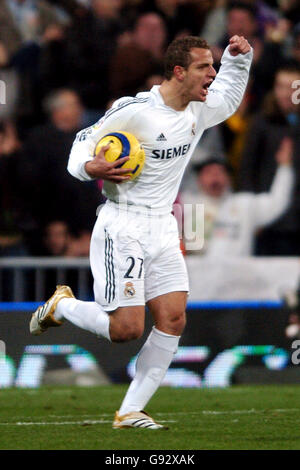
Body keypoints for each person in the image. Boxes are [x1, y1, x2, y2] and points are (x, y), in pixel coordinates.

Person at [30, 34, 252, 429]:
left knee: (173, 318)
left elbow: (230, 96)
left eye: (214, 66)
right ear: (179, 71)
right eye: (206, 67)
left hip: (164, 226)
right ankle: (62, 305)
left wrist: (240, 59)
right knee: (126, 330)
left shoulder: (196, 110)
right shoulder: (134, 110)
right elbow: (84, 141)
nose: (212, 75)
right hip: (123, 224)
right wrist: (88, 167)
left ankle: (130, 411)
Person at [181, 136, 294, 256]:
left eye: (220, 172)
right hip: (199, 273)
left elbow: (277, 202)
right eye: (208, 172)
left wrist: (285, 168)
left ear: (229, 178)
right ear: (198, 179)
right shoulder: (186, 204)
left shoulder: (244, 204)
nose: (215, 177)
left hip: (237, 273)